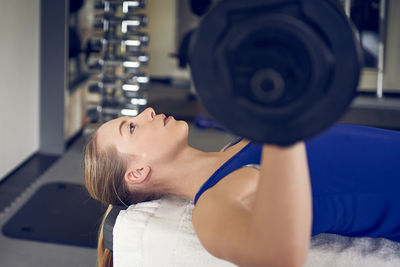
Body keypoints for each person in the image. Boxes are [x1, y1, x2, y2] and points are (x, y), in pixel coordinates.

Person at [84, 107, 400, 267]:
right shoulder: (213, 205)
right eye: (133, 126)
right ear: (137, 172)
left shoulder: (237, 143)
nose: (147, 111)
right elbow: (275, 254)